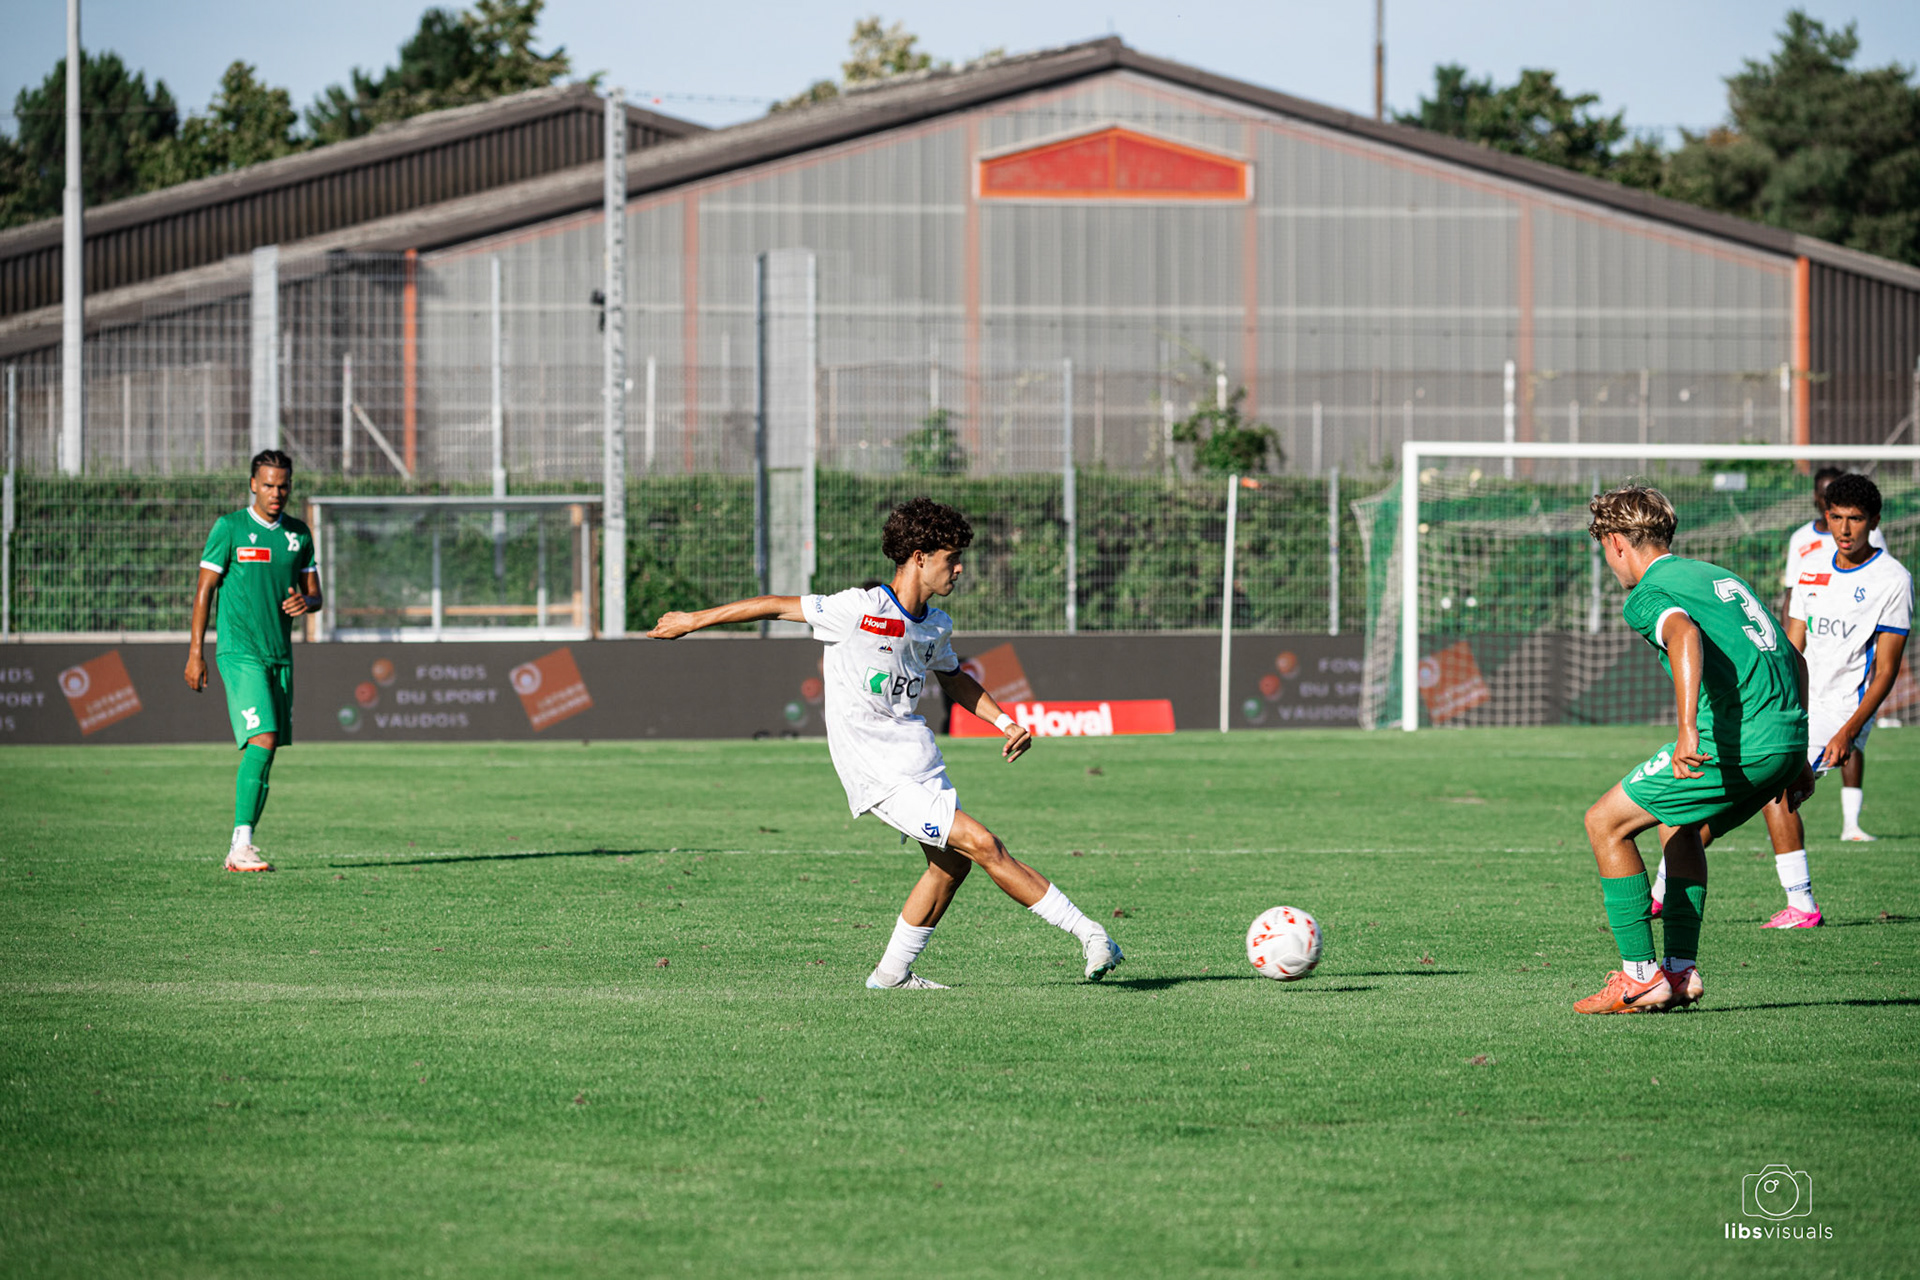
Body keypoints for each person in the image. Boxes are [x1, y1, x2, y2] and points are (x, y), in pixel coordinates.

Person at [647, 497, 1123, 988]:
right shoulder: (857, 609)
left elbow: (954, 679)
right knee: (983, 844)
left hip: (919, 761)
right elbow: (773, 605)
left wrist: (1004, 721)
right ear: (919, 557)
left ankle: (892, 974)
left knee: (951, 865)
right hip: (878, 772)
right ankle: (1089, 933)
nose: (959, 570)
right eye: (950, 559)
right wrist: (692, 620)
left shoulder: (936, 626)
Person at [1575, 485, 1812, 1014]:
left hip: (1741, 737)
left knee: (1604, 823)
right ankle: (1681, 974)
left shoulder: (1648, 594)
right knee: (1678, 827)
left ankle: (1640, 978)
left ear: (1616, 543)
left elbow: (1682, 634)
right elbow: (1792, 654)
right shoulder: (1718, 576)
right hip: (1784, 735)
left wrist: (1688, 729)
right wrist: (1796, 752)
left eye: (1604, 550)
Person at [1652, 473, 1914, 926]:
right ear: (1825, 517)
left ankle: (1801, 904)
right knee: (1729, 798)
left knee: (1774, 791)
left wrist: (1849, 730)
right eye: (1836, 518)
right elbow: (1791, 647)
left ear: (1874, 521)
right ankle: (1661, 891)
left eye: (1855, 519)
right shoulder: (1810, 567)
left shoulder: (1893, 579)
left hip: (1842, 710)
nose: (1845, 529)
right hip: (1793, 702)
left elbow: (1887, 669)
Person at [184, 450, 321, 873]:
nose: (276, 492)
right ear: (252, 485)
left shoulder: (298, 534)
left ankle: (243, 845)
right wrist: (195, 653)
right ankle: (240, 845)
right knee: (262, 738)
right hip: (239, 651)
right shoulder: (230, 528)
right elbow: (206, 590)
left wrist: (307, 601)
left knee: (270, 747)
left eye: (283, 485)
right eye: (267, 484)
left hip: (279, 654)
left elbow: (315, 593)